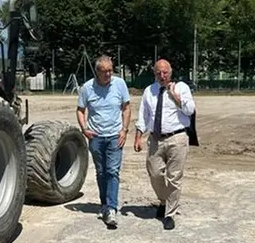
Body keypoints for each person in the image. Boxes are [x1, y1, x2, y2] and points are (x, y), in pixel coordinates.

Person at [134, 59, 196, 230]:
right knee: (154, 173)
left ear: (171, 72)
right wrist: (138, 136)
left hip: (177, 138)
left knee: (174, 178)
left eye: (165, 72)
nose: (162, 76)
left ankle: (170, 213)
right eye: (158, 73)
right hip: (155, 139)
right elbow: (144, 115)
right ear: (154, 73)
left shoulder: (182, 88)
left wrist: (177, 98)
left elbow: (190, 110)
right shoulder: (149, 91)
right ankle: (163, 200)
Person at [76, 55, 131, 229]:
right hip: (96, 137)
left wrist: (124, 130)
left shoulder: (119, 84)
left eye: (110, 70)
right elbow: (80, 110)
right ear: (97, 72)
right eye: (104, 71)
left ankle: (112, 208)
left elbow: (127, 107)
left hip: (115, 135)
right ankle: (104, 204)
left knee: (112, 171)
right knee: (101, 172)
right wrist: (84, 129)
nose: (108, 74)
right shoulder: (87, 88)